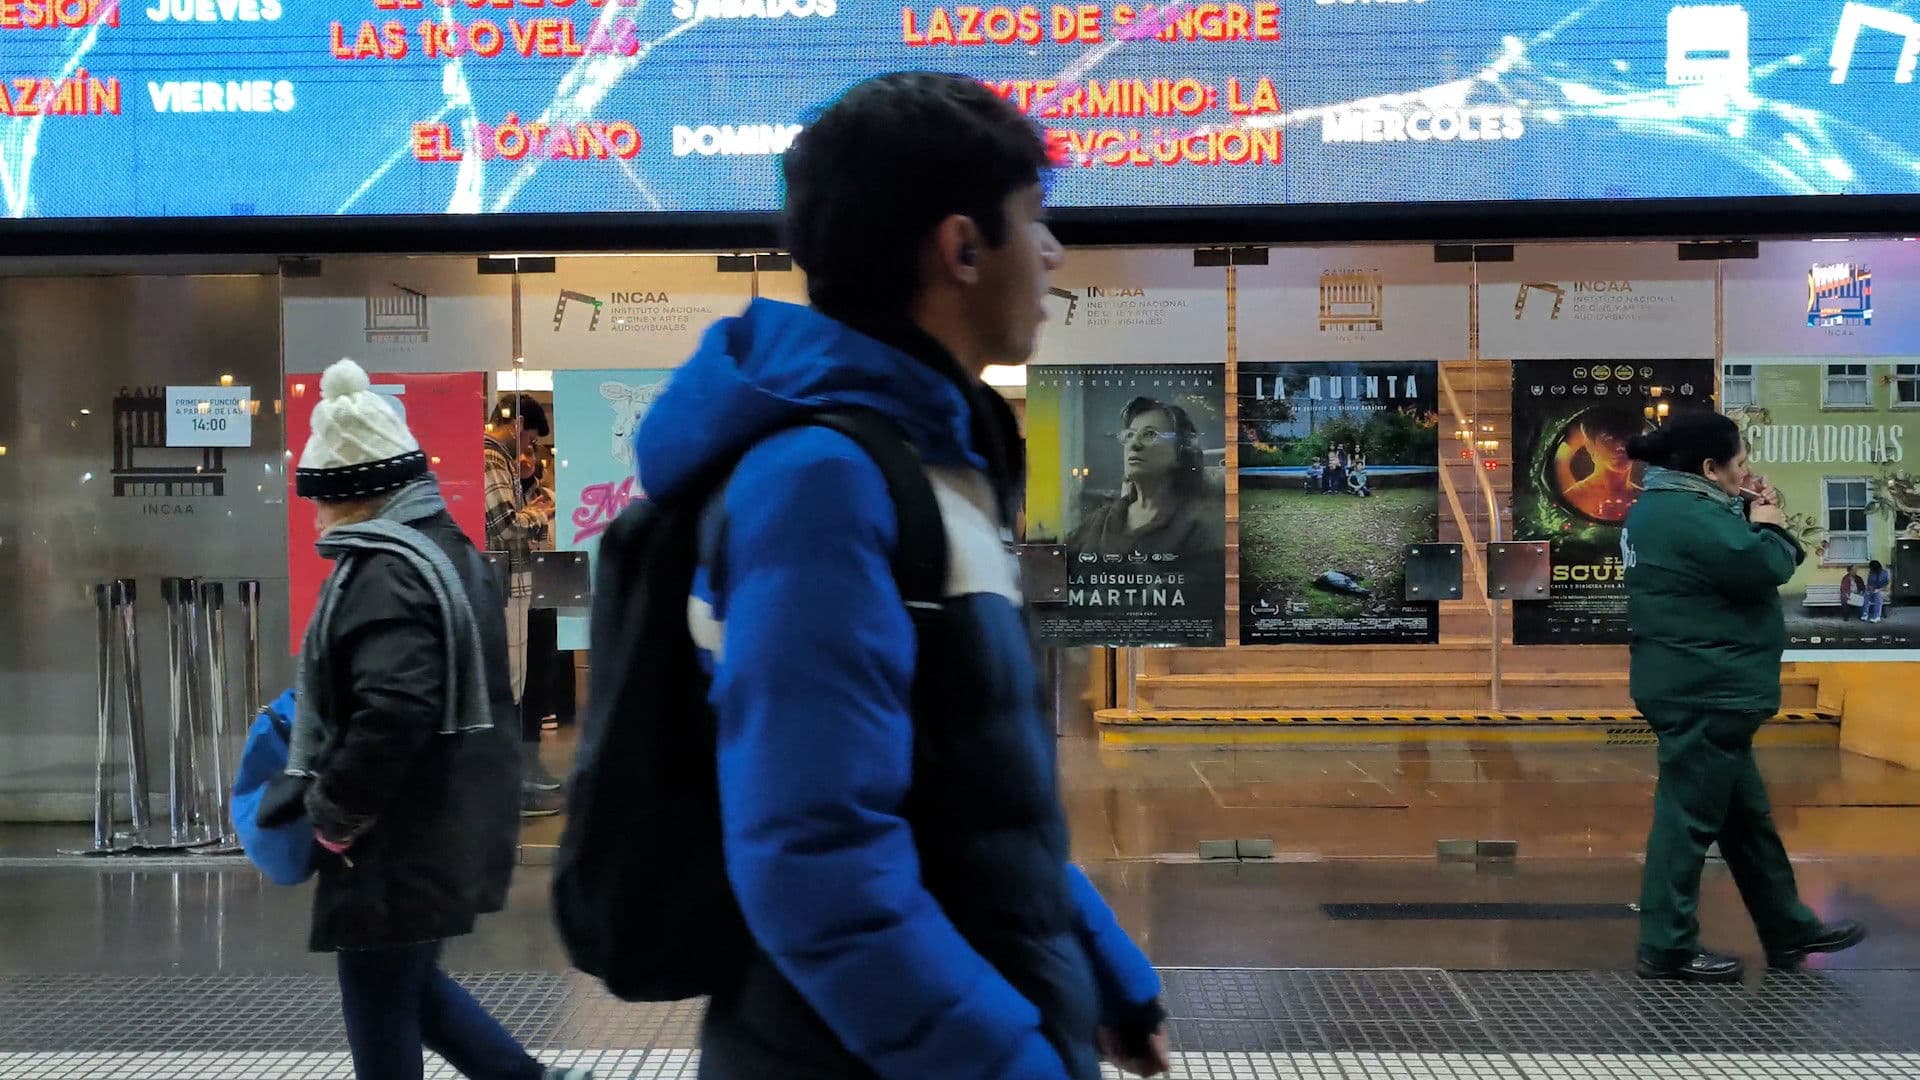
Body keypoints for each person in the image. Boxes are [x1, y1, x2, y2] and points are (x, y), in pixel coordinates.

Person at [633, 72, 1168, 1080]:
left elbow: (974, 800)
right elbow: (817, 863)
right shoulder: (824, 483)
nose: (1053, 254)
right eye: (1034, 222)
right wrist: (1009, 1063)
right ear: (961, 248)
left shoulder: (933, 468)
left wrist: (1106, 972)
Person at [288, 359, 588, 1080]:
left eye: (322, 500)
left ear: (356, 495)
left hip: (397, 836)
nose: (317, 516)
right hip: (438, 821)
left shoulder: (389, 570)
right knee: (410, 990)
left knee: (381, 1000)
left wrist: (332, 814)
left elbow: (394, 712)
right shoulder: (443, 548)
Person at [1620, 409, 1865, 983]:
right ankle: (1667, 945)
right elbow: (1765, 564)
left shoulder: (1664, 508)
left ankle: (1788, 929)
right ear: (1709, 467)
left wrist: (1746, 507)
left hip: (1699, 682)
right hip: (1706, 687)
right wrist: (1771, 517)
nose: (1746, 474)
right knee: (1685, 819)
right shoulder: (1686, 515)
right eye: (1740, 464)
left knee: (1745, 821)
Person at [483, 395, 563, 814]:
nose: (528, 447)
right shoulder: (490, 457)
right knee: (512, 685)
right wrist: (541, 511)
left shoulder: (499, 461)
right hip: (504, 587)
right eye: (530, 436)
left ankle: (521, 776)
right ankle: (514, 784)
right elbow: (504, 523)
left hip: (508, 586)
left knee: (520, 682)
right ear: (517, 427)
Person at [1069, 396, 1225, 564]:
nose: (1134, 444)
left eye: (1149, 434)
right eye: (1130, 435)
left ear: (1182, 452)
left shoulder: (1202, 526)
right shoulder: (1100, 521)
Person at [1864, 559, 1891, 623]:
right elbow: (1869, 584)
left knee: (1878, 595)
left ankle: (1877, 617)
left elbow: (1887, 586)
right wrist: (1869, 588)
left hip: (1884, 592)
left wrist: (1878, 590)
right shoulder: (1871, 573)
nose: (1870, 570)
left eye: (1871, 568)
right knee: (1866, 595)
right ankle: (1865, 614)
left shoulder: (1885, 573)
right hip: (1873, 591)